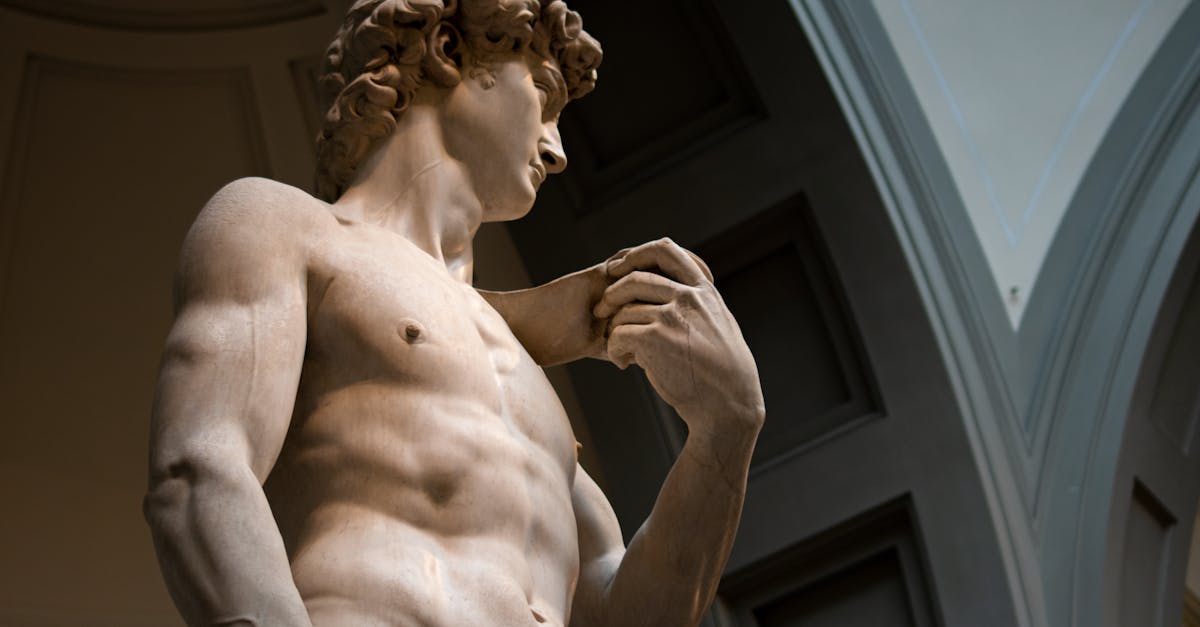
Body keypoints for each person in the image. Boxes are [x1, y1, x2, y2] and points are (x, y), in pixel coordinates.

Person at [143, 1, 764, 625]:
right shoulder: (286, 227)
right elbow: (204, 468)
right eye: (544, 95)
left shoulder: (525, 379)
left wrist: (726, 431)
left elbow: (626, 614)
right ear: (446, 49)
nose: (558, 151)